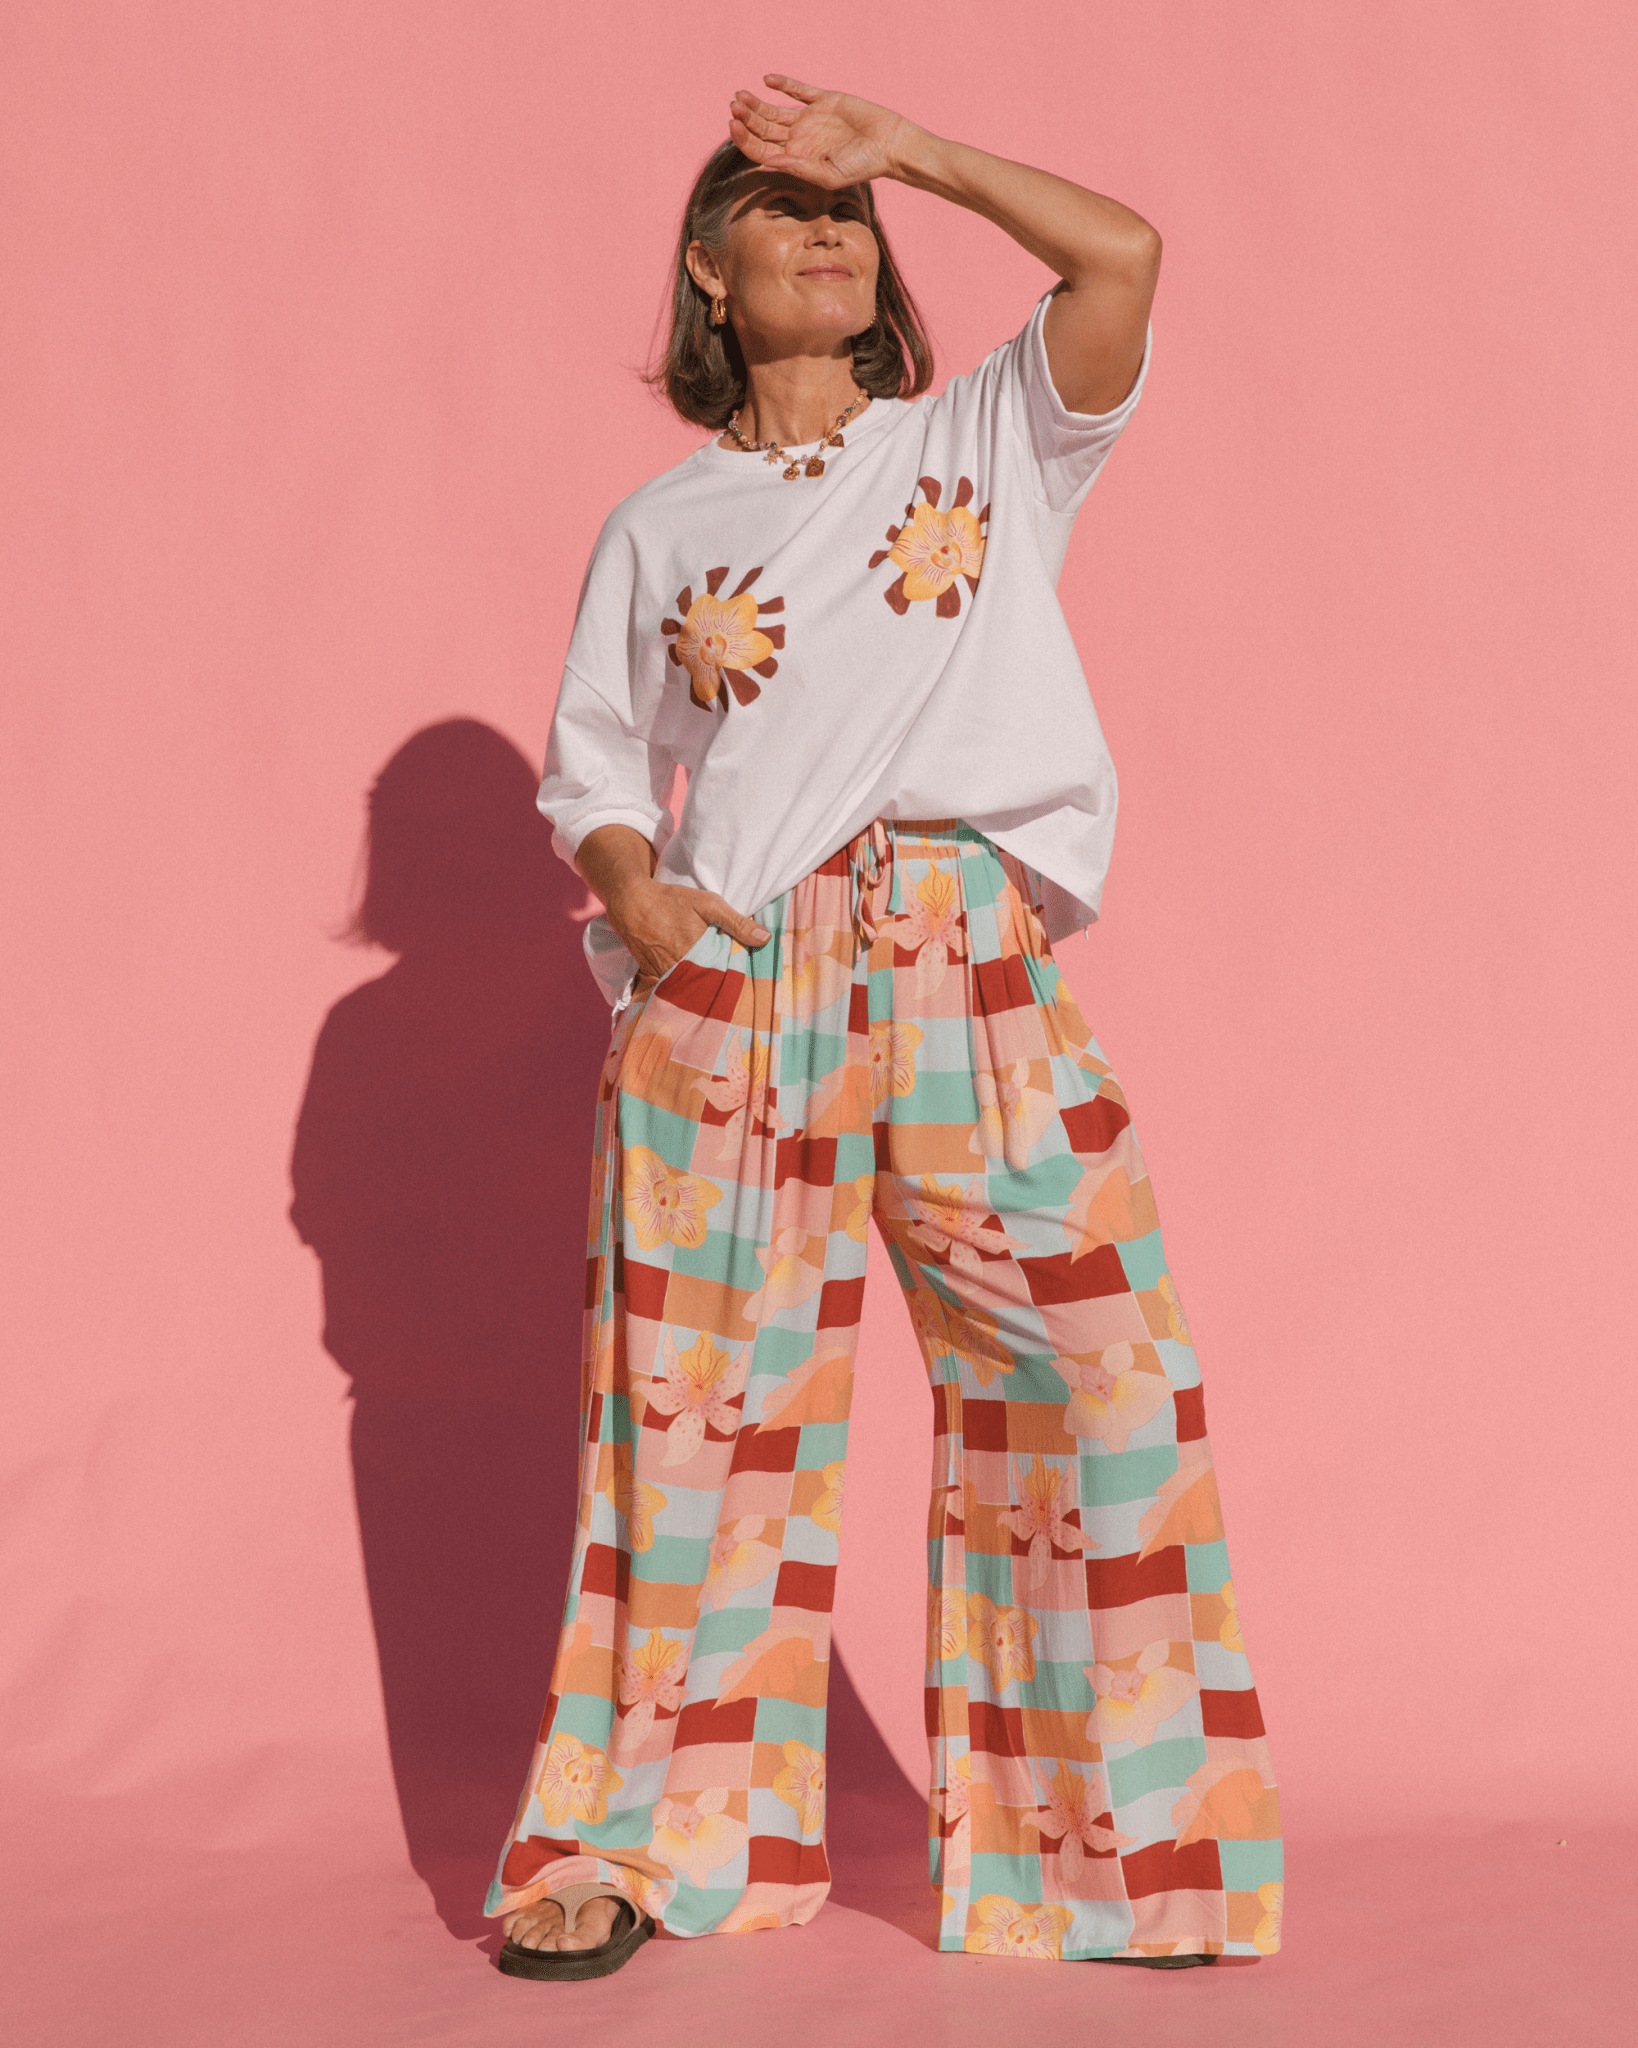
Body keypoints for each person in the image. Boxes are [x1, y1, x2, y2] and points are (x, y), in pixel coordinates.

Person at [487, 76, 1283, 1980]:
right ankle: (626, 1850)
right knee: (687, 1443)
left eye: (848, 211)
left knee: (1104, 1382)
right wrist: (634, 892)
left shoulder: (984, 442)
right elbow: (590, 764)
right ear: (709, 267)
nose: (829, 227)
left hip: (966, 962)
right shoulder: (660, 521)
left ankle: (1100, 1862)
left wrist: (907, 145)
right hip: (738, 988)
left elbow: (1122, 254)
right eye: (781, 207)